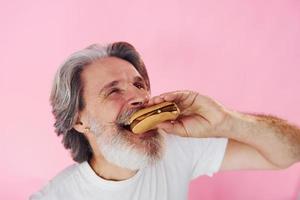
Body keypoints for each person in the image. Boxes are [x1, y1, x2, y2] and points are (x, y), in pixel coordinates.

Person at [30, 42, 300, 200]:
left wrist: (224, 120)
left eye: (139, 85)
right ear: (79, 121)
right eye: (114, 91)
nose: (139, 97)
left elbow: (289, 153)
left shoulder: (177, 148)